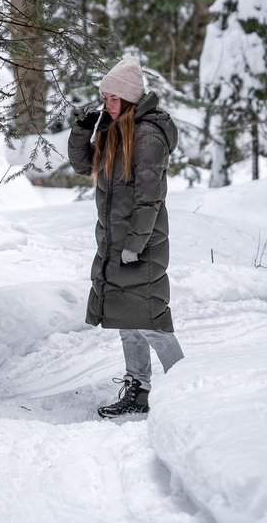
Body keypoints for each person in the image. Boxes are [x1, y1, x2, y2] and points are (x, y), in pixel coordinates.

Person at [68, 55, 183, 418]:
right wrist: (83, 130)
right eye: (105, 98)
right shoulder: (115, 129)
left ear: (130, 98)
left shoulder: (147, 136)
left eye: (113, 98)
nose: (107, 104)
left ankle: (188, 389)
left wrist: (134, 245)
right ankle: (138, 390)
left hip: (140, 245)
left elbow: (149, 198)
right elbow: (83, 165)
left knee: (151, 323)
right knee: (127, 321)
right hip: (115, 244)